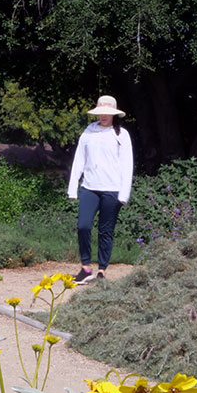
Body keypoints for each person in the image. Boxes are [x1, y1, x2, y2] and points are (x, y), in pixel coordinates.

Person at [66, 95, 133, 284]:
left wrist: (124, 194)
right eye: (101, 112)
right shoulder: (89, 131)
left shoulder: (122, 134)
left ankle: (102, 270)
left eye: (107, 113)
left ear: (114, 114)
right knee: (83, 226)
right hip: (89, 187)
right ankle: (86, 268)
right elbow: (79, 159)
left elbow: (127, 165)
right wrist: (73, 188)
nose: (104, 116)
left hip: (112, 189)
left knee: (105, 231)